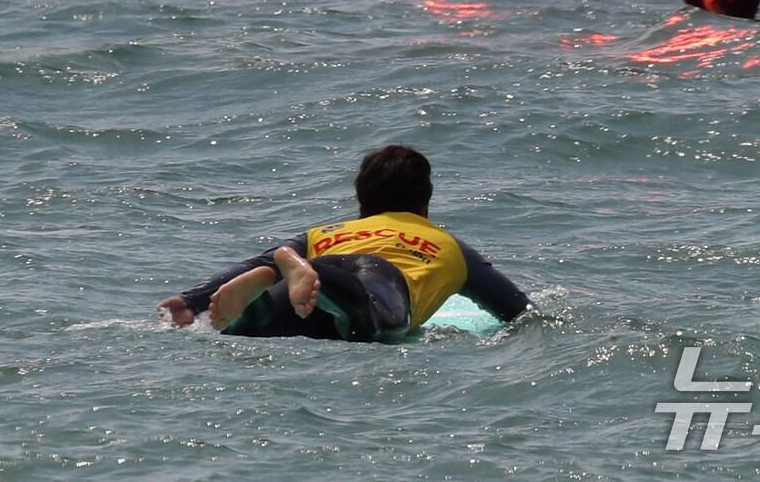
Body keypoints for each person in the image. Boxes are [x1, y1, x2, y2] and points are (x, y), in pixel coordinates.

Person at [156, 145, 530, 343]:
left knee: (255, 323)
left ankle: (252, 310)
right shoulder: (449, 246)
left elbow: (254, 265)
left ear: (361, 201)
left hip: (304, 287)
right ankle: (306, 271)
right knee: (376, 321)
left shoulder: (323, 233)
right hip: (368, 282)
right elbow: (518, 311)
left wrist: (192, 300)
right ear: (424, 203)